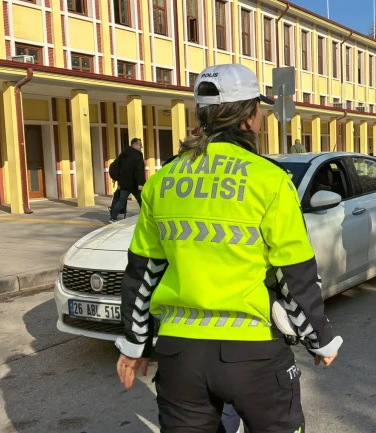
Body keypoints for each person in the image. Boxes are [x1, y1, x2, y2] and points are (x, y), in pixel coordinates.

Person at [114, 64, 342, 432]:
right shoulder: (269, 180)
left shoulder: (163, 181)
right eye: (260, 109)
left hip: (180, 355)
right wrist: (321, 341)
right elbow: (295, 275)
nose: (263, 116)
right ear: (249, 117)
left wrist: (133, 344)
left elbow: (142, 273)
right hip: (253, 353)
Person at [109, 138, 146, 223]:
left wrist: (118, 179)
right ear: (135, 145)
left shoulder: (123, 154)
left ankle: (113, 218)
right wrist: (140, 183)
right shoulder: (137, 156)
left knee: (121, 201)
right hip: (135, 184)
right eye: (140, 145)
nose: (141, 147)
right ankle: (146, 216)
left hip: (124, 184)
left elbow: (116, 166)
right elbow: (139, 171)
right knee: (142, 200)